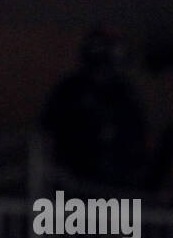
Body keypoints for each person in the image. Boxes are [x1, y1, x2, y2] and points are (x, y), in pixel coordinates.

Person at [41, 25, 147, 187]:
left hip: (115, 181)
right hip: (74, 178)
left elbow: (136, 134)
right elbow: (47, 130)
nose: (103, 73)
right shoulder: (70, 89)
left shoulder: (124, 93)